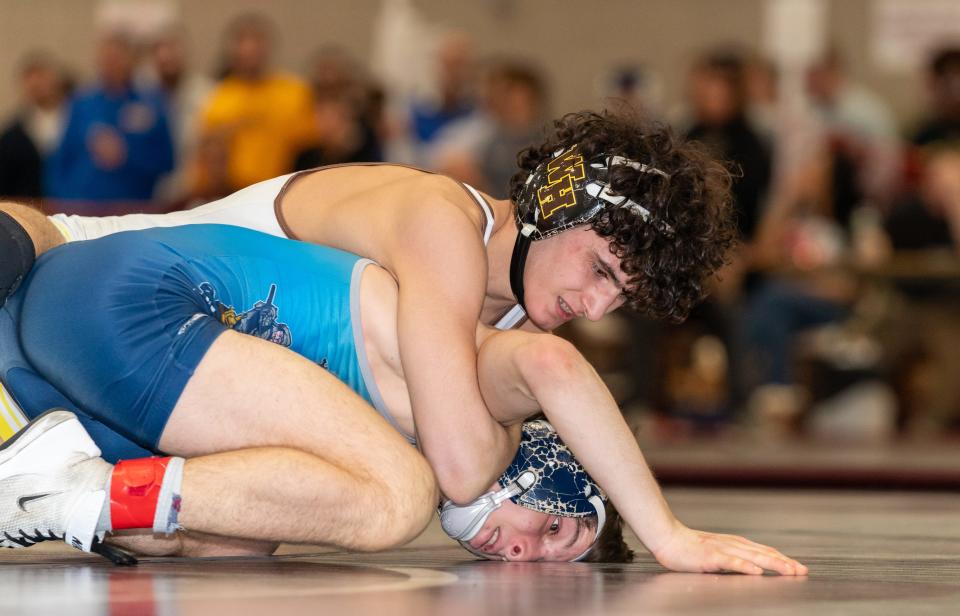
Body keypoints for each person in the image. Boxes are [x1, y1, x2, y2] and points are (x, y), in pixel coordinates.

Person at [0, 111, 737, 506]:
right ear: (556, 198)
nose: (598, 304)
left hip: (154, 388)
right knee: (24, 236)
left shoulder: (507, 323)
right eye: (602, 268)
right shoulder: (441, 223)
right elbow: (459, 466)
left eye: (623, 295)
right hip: (85, 275)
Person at [0, 221, 802, 573]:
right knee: (396, 500)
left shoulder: (376, 440)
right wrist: (669, 534)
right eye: (554, 528)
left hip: (69, 361)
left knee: (238, 535)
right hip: (130, 300)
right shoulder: (484, 384)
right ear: (550, 461)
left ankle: (51, 489)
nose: (523, 553)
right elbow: (559, 373)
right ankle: (67, 491)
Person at [45, 29, 174, 206]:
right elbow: (60, 160)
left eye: (117, 59)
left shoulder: (151, 105)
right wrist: (63, 200)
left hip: (131, 209)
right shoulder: (82, 103)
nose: (111, 65)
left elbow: (167, 161)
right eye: (106, 59)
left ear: (131, 61)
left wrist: (126, 154)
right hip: (83, 209)